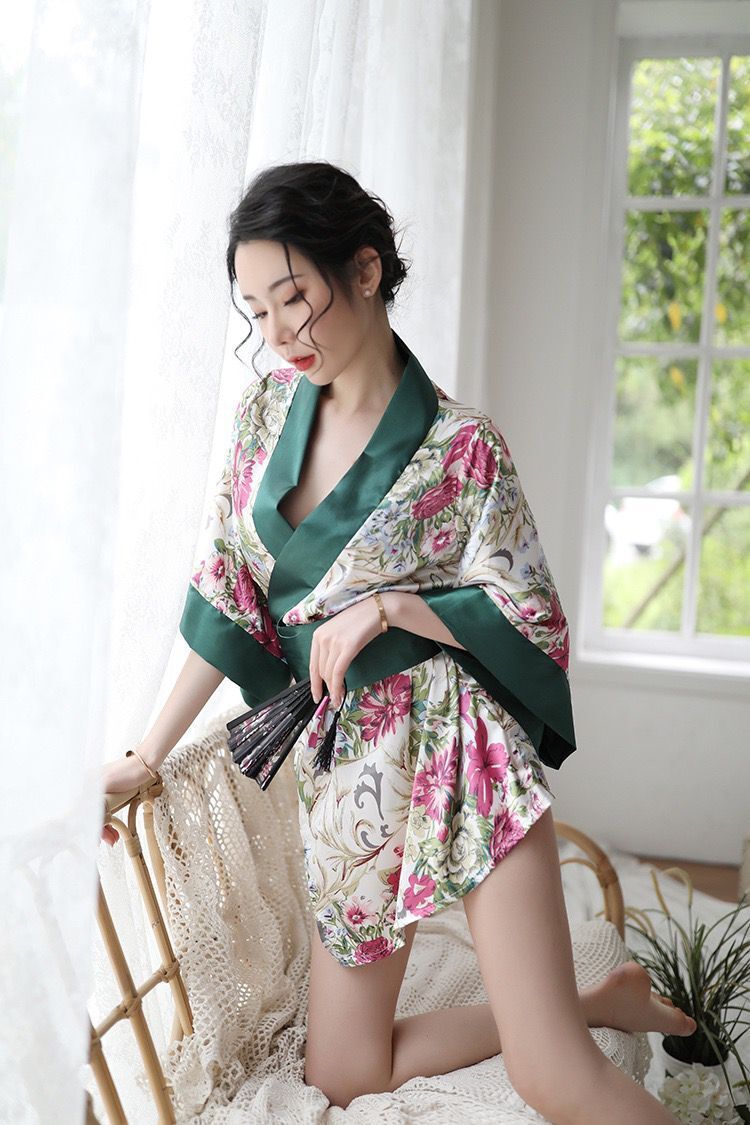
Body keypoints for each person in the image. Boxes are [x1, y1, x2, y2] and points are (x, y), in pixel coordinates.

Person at [102, 161, 695, 1122]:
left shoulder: (463, 447)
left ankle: (563, 1027)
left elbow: (532, 616)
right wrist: (146, 753)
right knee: (343, 1072)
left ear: (366, 270)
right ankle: (597, 1000)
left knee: (553, 1076)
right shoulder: (262, 416)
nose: (278, 332)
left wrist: (393, 608)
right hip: (347, 771)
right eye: (256, 310)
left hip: (460, 751)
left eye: (293, 297)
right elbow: (227, 590)